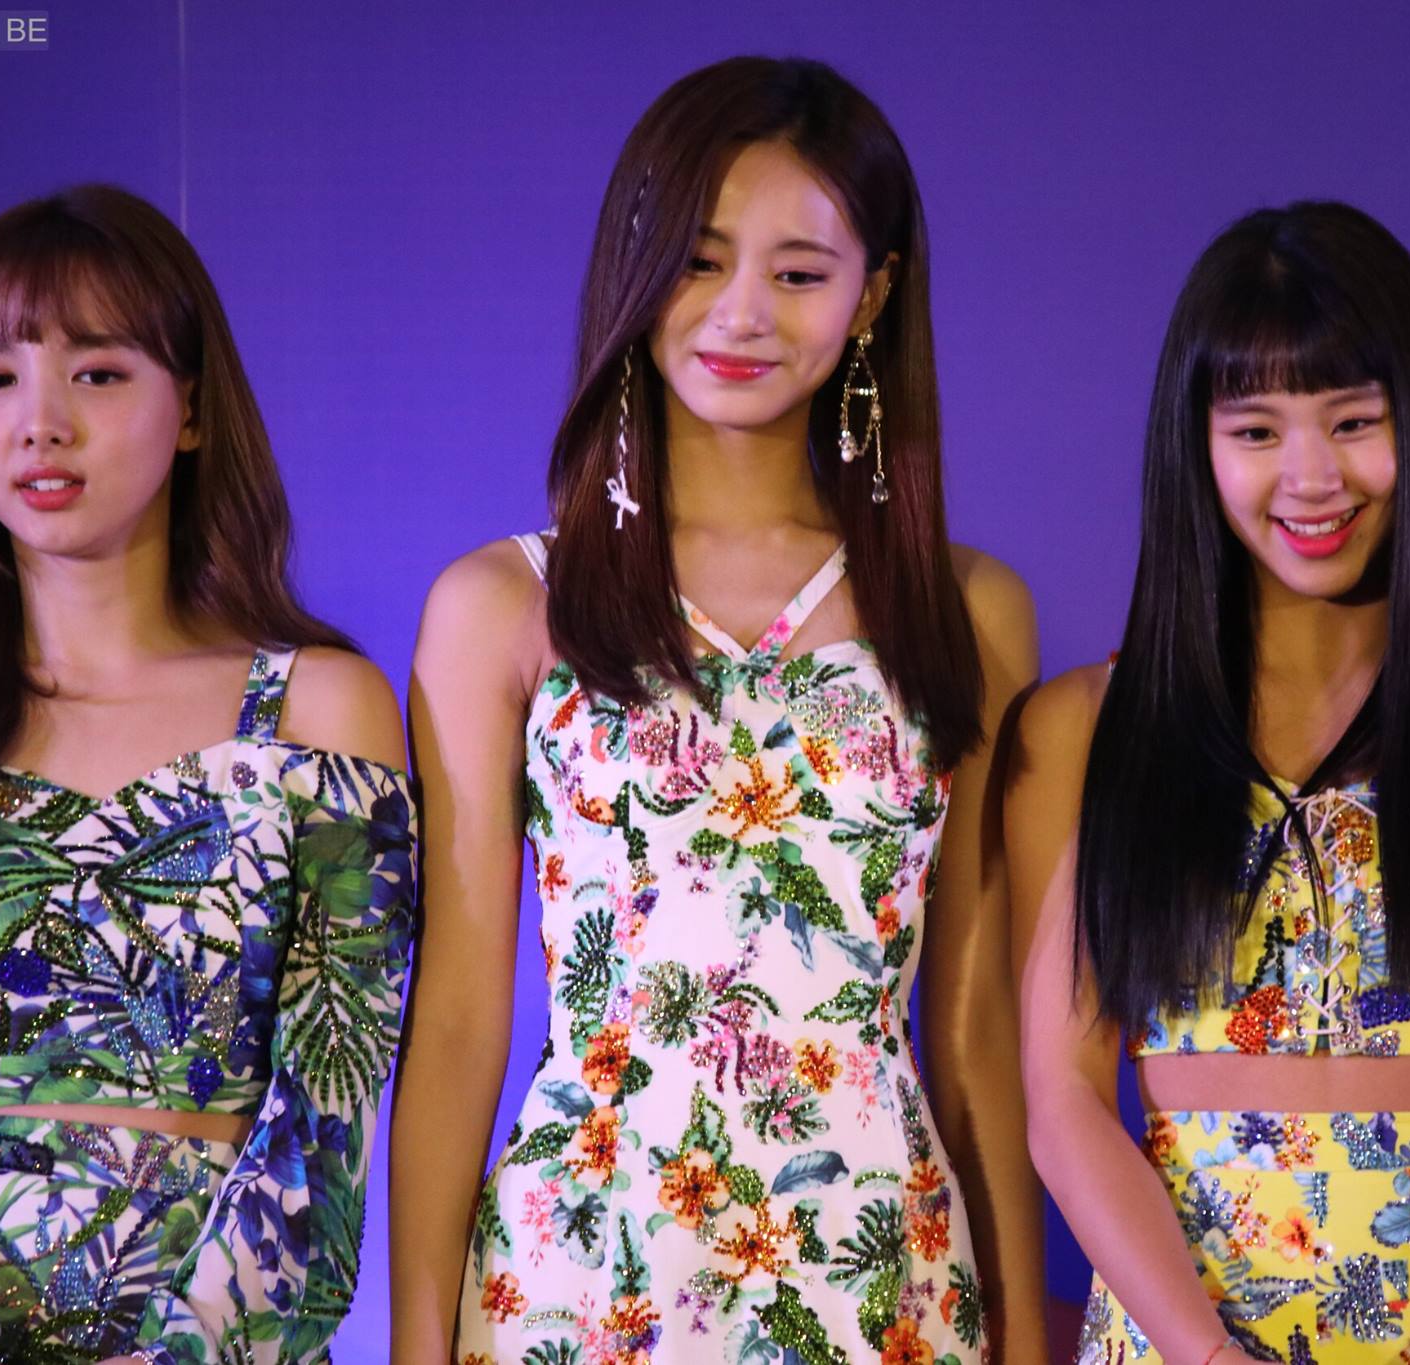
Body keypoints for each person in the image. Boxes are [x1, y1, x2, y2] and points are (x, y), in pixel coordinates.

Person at [388, 57, 1043, 1365]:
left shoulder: (967, 608)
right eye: (698, 261)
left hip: (877, 1279)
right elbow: (456, 1024)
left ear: (874, 296)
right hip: (586, 1280)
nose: (741, 312)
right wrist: (416, 1340)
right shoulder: (502, 603)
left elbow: (975, 1030)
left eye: (797, 273)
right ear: (635, 271)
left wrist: (1024, 1337)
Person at [1013, 201, 1410, 1363]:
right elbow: (1062, 1105)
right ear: (1194, 447)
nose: (1309, 477)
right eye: (1255, 431)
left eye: (1353, 421)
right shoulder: (1084, 731)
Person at [0, 184, 414, 1365]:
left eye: (97, 373)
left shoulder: (320, 712)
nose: (39, 423)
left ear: (192, 408)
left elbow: (330, 1100)